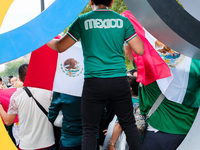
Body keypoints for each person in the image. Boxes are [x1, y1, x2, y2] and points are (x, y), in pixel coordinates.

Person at [47, 0, 144, 149]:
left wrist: (43, 39)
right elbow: (139, 50)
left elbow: (60, 47)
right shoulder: (122, 21)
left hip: (94, 82)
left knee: (90, 130)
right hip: (119, 80)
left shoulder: (82, 20)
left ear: (91, 1)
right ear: (111, 2)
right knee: (129, 125)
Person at [0, 63, 56, 150]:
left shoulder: (16, 96)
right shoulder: (49, 92)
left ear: (19, 78)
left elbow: (8, 121)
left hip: (26, 145)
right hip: (48, 143)